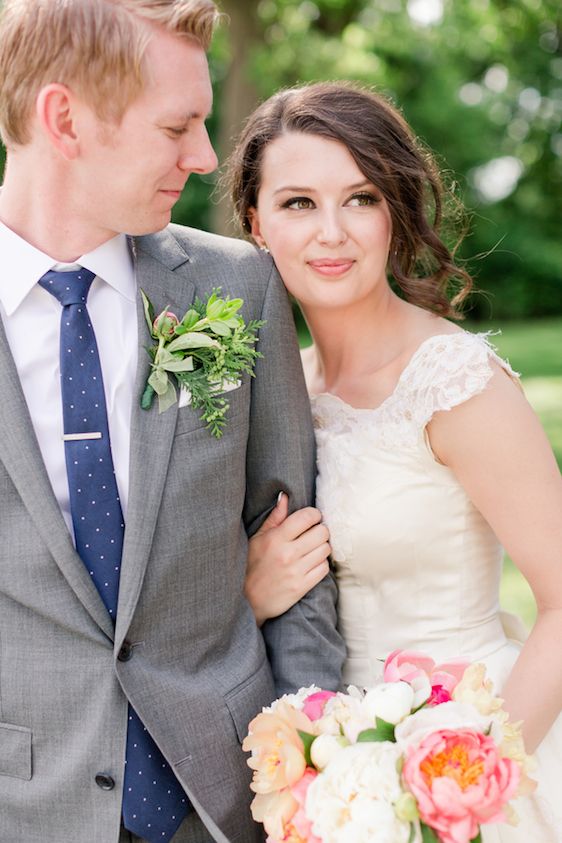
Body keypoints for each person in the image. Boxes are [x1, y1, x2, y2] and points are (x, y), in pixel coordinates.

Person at [0, 3, 345, 842]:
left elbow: (298, 550)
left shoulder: (237, 288)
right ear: (65, 119)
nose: (202, 156)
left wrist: (316, 776)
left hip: (227, 797)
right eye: (177, 125)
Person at [230, 81, 562, 840]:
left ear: (396, 210)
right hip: (333, 787)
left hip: (474, 771)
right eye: (298, 203)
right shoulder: (279, 392)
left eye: (361, 198)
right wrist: (248, 594)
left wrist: (466, 791)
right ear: (257, 224)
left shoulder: (454, 384)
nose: (332, 233)